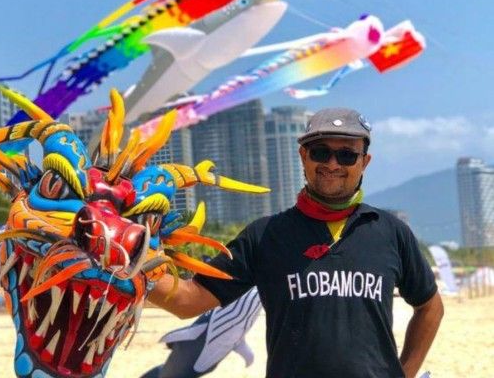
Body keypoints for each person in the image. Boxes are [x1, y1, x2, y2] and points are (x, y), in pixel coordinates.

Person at [148, 108, 444, 378]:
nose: (332, 164)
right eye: (320, 152)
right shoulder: (265, 235)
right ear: (303, 156)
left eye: (346, 155)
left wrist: (405, 373)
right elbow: (189, 300)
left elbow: (430, 307)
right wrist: (134, 263)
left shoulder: (390, 232)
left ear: (364, 162)